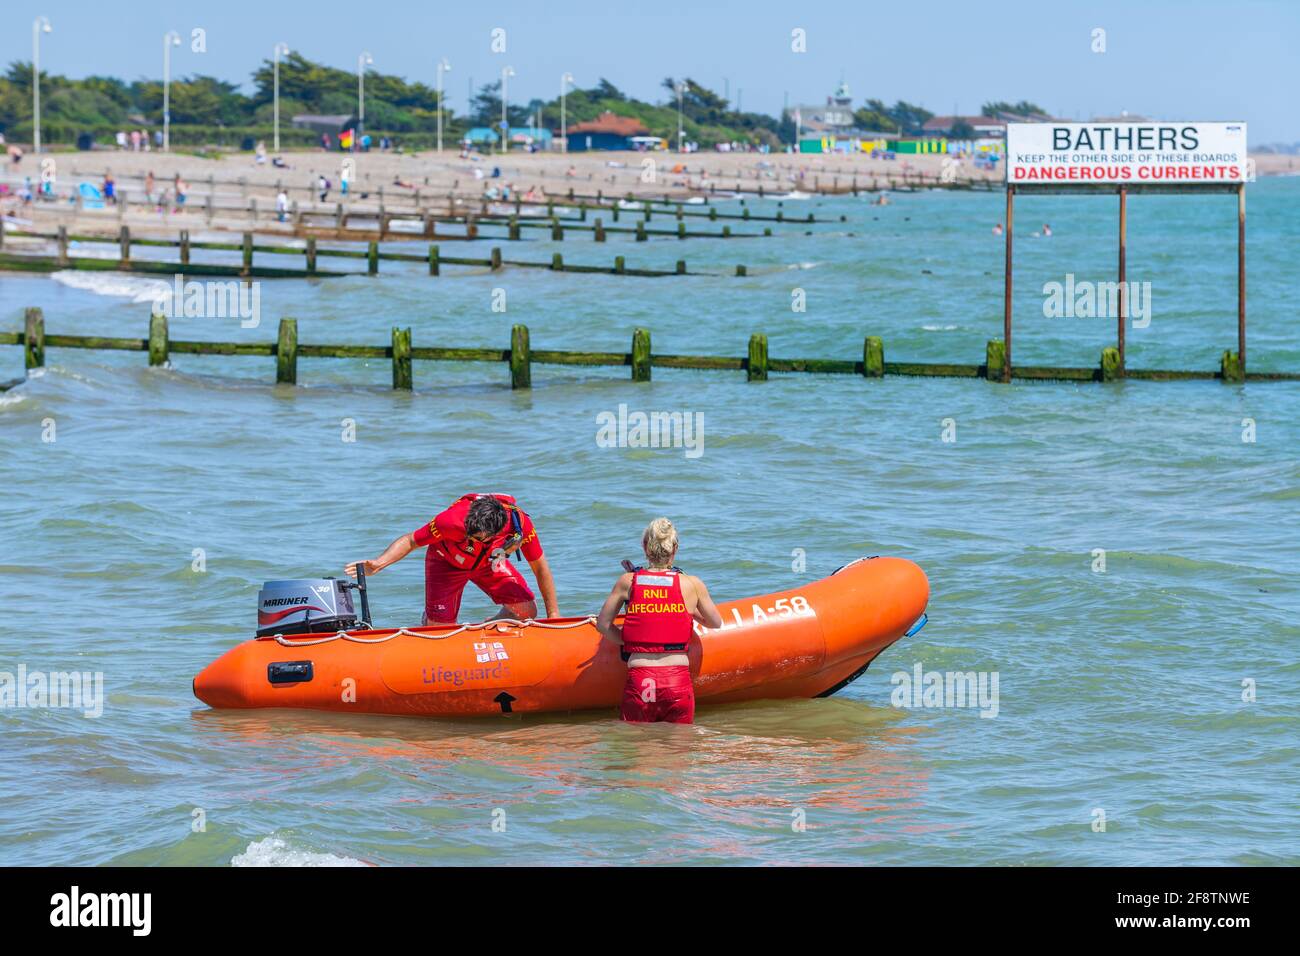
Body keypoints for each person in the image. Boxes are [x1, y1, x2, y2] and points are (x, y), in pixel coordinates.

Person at [346, 493, 558, 625]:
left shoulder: (519, 525)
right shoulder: (451, 521)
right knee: (438, 630)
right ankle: (430, 620)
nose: (467, 537)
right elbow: (412, 540)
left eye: (475, 537)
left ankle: (486, 630)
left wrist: (554, 615)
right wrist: (379, 563)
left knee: (527, 611)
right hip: (445, 563)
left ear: (496, 532)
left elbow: (540, 569)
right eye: (467, 532)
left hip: (489, 562)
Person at [595, 518, 722, 725]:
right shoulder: (692, 583)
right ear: (675, 548)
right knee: (678, 752)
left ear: (645, 547)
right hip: (676, 681)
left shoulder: (627, 581)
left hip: (640, 679)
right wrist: (687, 611)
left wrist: (626, 640)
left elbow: (603, 624)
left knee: (641, 751)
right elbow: (715, 622)